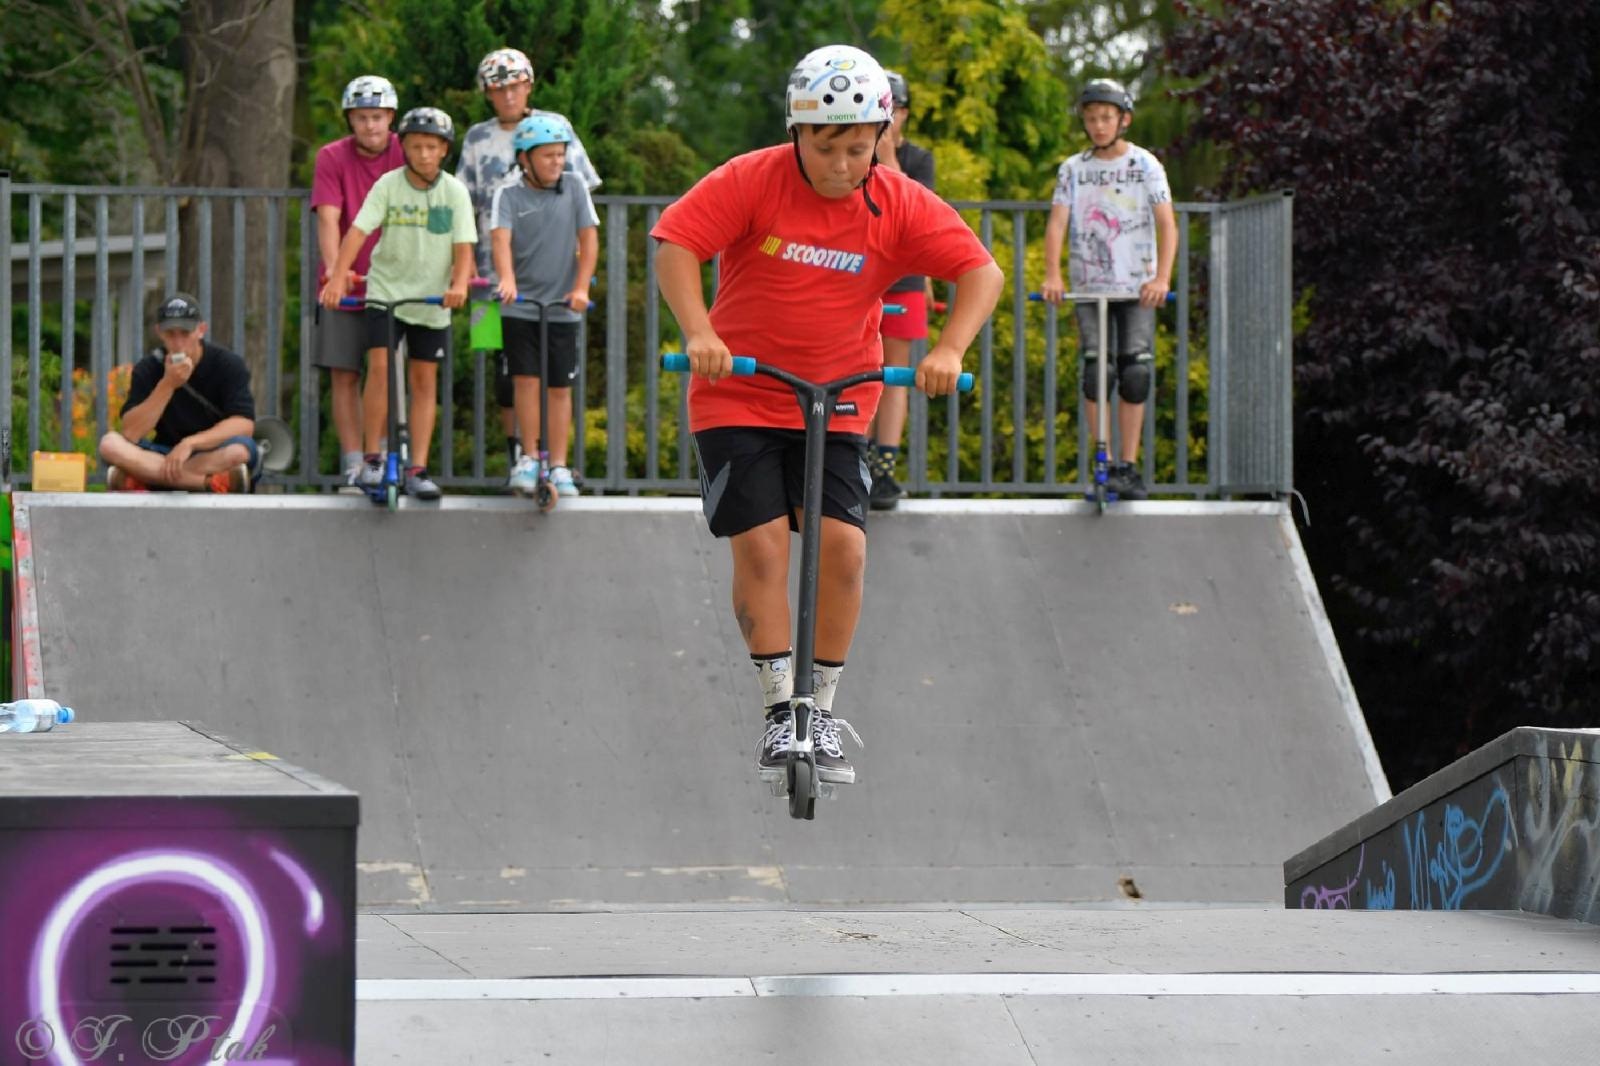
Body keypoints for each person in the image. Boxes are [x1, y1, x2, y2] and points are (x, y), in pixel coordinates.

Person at [651, 44, 1003, 786]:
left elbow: (982, 271)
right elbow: (677, 245)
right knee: (765, 546)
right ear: (796, 133)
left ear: (880, 135)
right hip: (740, 395)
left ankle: (822, 714)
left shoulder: (898, 200)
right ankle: (781, 711)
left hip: (839, 400)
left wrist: (948, 346)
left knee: (843, 548)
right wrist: (701, 332)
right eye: (826, 147)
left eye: (858, 147)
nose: (843, 165)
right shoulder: (752, 179)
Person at [457, 47, 602, 483]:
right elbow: (463, 204)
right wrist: (463, 264)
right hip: (490, 276)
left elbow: (579, 193)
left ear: (529, 86)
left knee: (553, 375)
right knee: (504, 368)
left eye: (515, 86)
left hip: (550, 276)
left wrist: (578, 275)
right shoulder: (476, 138)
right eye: (498, 88)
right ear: (487, 93)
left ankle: (551, 460)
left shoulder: (557, 129)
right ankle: (517, 456)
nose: (507, 95)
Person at [318, 106, 476, 501]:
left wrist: (458, 284)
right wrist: (338, 275)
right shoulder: (389, 186)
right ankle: (372, 459)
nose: (424, 155)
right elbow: (356, 232)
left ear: (444, 151)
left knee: (424, 383)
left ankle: (417, 467)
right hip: (386, 293)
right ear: (403, 147)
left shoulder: (453, 192)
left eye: (432, 147)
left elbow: (463, 247)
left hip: (430, 300)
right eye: (416, 147)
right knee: (381, 370)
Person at [1040, 77, 1177, 501]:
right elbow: (1058, 223)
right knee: (1097, 373)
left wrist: (1162, 278)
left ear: (1124, 120)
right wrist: (1053, 274)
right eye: (1091, 118)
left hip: (1137, 287)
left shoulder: (1145, 165)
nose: (1098, 126)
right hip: (1090, 285)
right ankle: (1101, 460)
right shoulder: (1073, 169)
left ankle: (1127, 467)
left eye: (1106, 118)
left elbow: (1166, 224)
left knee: (1135, 373)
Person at [491, 115, 598, 498]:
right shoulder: (508, 191)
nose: (557, 162)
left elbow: (588, 238)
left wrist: (581, 287)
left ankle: (559, 465)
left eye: (560, 154)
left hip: (561, 305)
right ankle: (530, 455)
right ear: (525, 159)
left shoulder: (574, 186)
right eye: (548, 156)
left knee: (558, 387)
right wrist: (507, 280)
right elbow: (500, 240)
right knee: (524, 381)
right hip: (520, 305)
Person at [311, 75, 405, 489]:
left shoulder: (408, 151)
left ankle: (380, 454)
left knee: (386, 372)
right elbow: (330, 216)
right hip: (345, 283)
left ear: (391, 118)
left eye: (378, 117)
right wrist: (335, 271)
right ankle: (353, 460)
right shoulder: (331, 157)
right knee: (344, 372)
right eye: (362, 117)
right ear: (350, 119)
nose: (370, 126)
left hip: (395, 283)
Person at [99, 292, 256, 493]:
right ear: (159, 332)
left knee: (239, 451)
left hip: (211, 450)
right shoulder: (148, 368)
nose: (178, 343)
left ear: (201, 330)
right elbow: (131, 433)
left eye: (185, 333)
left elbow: (244, 424)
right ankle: (209, 483)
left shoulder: (227, 363)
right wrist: (167, 384)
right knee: (109, 444)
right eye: (171, 334)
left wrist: (190, 443)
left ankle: (147, 478)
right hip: (164, 452)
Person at [868, 68, 936, 511]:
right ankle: (849, 455)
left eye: (895, 112)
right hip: (860, 277)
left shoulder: (917, 159)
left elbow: (918, 213)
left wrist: (889, 159)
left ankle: (884, 466)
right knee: (853, 369)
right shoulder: (850, 155)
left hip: (905, 278)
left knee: (895, 374)